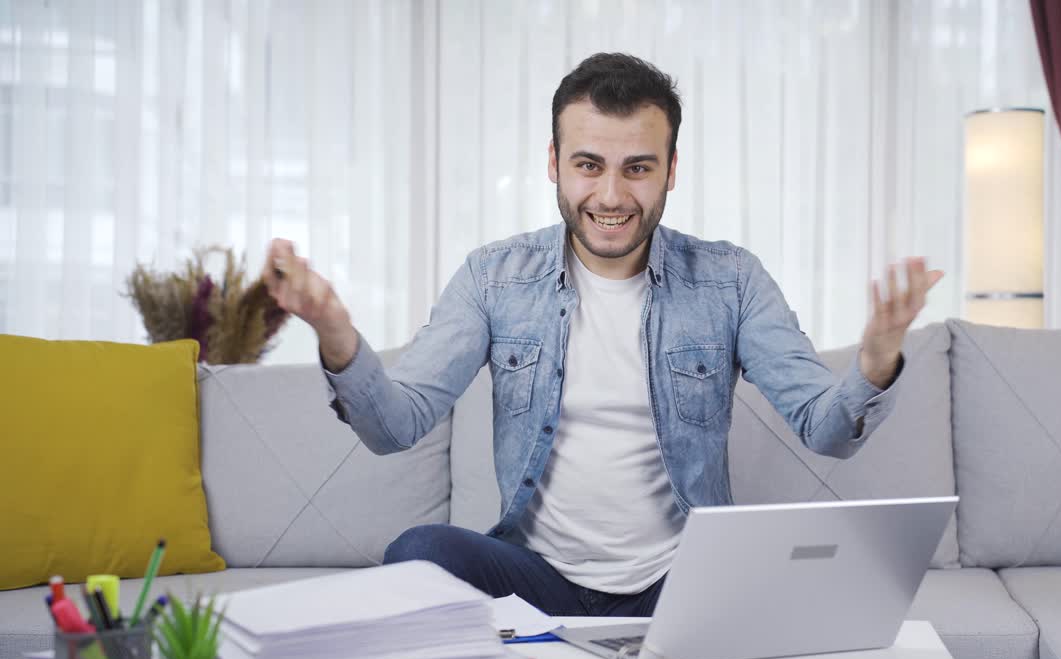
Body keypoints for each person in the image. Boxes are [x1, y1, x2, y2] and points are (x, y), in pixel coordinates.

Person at [261, 53, 942, 617]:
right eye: (589, 165)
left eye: (637, 168)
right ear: (554, 163)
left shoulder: (731, 280)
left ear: (671, 170)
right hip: (537, 580)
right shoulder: (494, 279)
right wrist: (336, 335)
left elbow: (825, 429)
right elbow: (395, 425)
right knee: (417, 554)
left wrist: (878, 357)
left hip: (685, 583)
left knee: (801, 590)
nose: (612, 196)